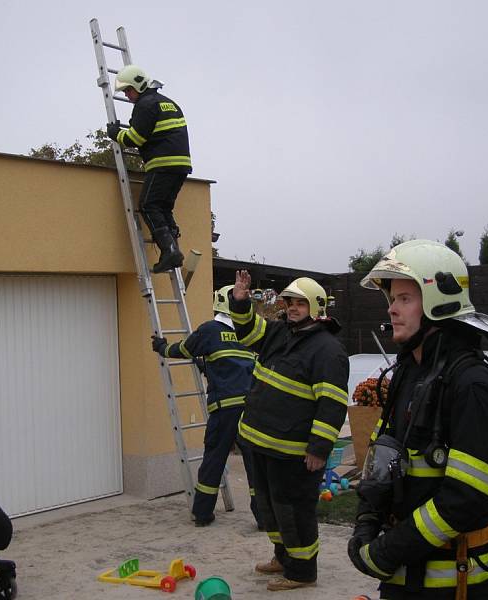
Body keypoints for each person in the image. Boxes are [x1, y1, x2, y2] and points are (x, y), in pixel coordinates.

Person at [348, 239, 488, 600]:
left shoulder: (472, 384)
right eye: (392, 299)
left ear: (440, 302)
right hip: (406, 580)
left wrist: (389, 550)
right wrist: (367, 521)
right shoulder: (410, 372)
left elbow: (468, 495)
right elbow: (384, 455)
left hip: (457, 584)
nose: (392, 309)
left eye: (405, 299)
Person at [230, 271, 349, 591]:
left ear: (317, 307)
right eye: (290, 302)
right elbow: (248, 332)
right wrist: (240, 302)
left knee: (294, 510)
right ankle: (283, 557)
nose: (293, 308)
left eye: (300, 303)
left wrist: (319, 448)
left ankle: (302, 572)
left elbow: (333, 404)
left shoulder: (327, 350)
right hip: (261, 442)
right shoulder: (280, 331)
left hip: (294, 451)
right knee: (270, 507)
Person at [151, 285, 262, 529]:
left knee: (214, 459)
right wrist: (207, 367)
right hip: (251, 410)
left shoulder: (211, 330)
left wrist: (161, 347)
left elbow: (184, 349)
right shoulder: (249, 335)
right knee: (256, 464)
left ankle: (202, 513)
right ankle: (264, 518)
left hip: (224, 410)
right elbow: (235, 366)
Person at [106, 64, 191, 273]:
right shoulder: (168, 103)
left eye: (128, 90)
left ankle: (170, 250)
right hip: (180, 165)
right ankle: (173, 251)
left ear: (138, 84)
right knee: (163, 208)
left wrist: (116, 134)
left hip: (162, 164)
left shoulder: (145, 105)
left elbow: (135, 138)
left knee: (147, 205)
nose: (127, 95)